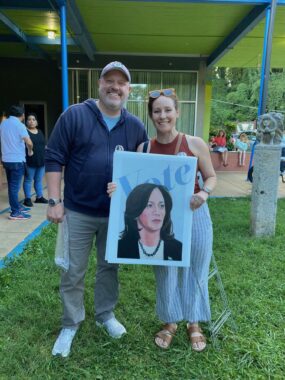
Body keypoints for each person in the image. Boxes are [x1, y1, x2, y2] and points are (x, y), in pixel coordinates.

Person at [45, 61, 147, 358]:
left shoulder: (135, 126)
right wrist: (54, 200)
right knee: (72, 270)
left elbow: (142, 171)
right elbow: (54, 158)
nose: (115, 86)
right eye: (109, 80)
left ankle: (105, 314)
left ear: (128, 89)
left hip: (116, 214)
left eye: (122, 82)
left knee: (109, 268)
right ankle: (70, 323)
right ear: (99, 84)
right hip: (77, 210)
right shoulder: (75, 115)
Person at [108, 88, 217, 352]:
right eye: (157, 111)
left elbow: (211, 176)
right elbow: (136, 185)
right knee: (165, 269)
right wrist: (118, 190)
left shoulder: (194, 144)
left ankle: (194, 322)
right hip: (161, 219)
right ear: (151, 116)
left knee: (196, 269)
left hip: (195, 213)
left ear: (177, 112)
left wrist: (203, 192)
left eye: (168, 110)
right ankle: (170, 321)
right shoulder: (144, 148)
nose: (163, 115)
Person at [118, 183, 182, 261]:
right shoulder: (119, 248)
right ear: (135, 210)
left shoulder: (178, 248)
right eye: (150, 205)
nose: (157, 212)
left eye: (161, 206)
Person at [0, 105, 33, 220]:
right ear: (22, 115)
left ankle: (16, 206)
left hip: (6, 159)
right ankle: (15, 212)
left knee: (11, 185)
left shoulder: (3, 124)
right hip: (17, 160)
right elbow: (29, 142)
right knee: (14, 187)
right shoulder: (20, 125)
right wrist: (30, 150)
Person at [23, 113, 48, 207]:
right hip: (30, 161)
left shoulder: (40, 131)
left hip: (41, 161)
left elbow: (44, 145)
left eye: (33, 119)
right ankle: (27, 199)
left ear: (36, 122)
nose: (31, 121)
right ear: (26, 122)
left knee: (38, 180)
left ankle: (39, 197)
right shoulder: (25, 132)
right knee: (28, 180)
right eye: (29, 119)